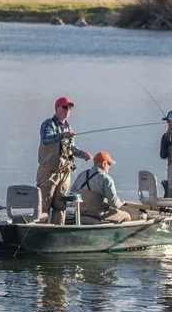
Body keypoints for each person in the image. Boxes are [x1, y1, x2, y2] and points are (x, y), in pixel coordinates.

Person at [37, 96, 91, 224]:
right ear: (57, 109)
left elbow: (71, 149)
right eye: (65, 107)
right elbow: (47, 139)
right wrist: (62, 135)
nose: (68, 110)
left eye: (70, 108)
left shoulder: (68, 127)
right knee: (44, 206)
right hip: (48, 174)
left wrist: (84, 155)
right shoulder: (48, 124)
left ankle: (57, 232)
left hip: (65, 173)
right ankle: (39, 232)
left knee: (60, 207)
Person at [71, 151, 134, 223]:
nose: (109, 167)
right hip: (97, 214)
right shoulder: (106, 179)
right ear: (104, 164)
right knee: (127, 216)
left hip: (81, 212)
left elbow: (72, 193)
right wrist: (122, 202)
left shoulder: (82, 174)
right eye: (109, 164)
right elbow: (114, 203)